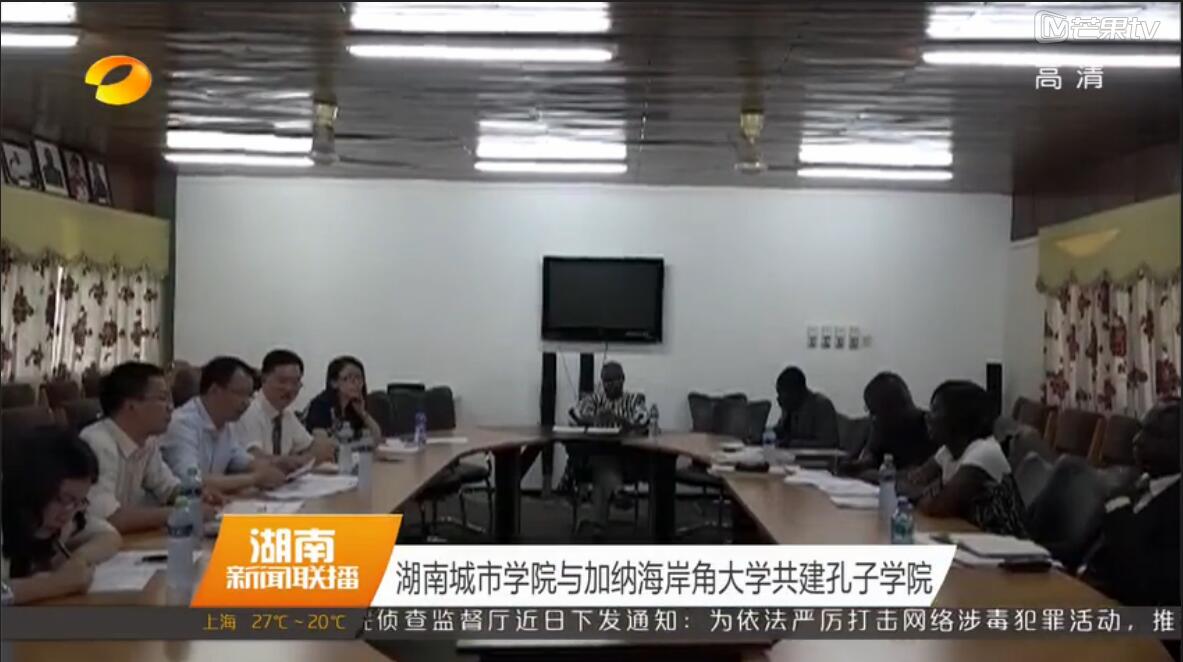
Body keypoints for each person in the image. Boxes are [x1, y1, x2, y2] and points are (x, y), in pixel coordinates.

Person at [81, 361, 220, 534]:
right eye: (162, 398)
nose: (171, 407)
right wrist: (181, 512)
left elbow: (168, 489)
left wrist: (198, 495)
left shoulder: (147, 441)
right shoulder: (97, 443)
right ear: (131, 405)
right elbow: (108, 518)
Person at [1082, 400, 1180, 617]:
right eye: (1141, 430)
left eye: (1154, 435)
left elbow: (1143, 585)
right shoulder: (1134, 483)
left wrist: (1119, 515)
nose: (1137, 440)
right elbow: (1085, 544)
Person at [2, 427, 122, 604]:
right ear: (32, 488)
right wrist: (57, 583)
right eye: (64, 499)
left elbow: (109, 535)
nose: (69, 513)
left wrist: (78, 560)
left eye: (79, 502)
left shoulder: (66, 518)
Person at [901, 380, 1026, 537]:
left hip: (1004, 543)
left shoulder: (984, 452)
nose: (928, 416)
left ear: (959, 418)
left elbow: (938, 506)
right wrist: (924, 492)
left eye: (936, 410)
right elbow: (912, 480)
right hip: (971, 537)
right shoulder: (948, 451)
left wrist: (925, 493)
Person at [161, 356, 287, 494]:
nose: (246, 403)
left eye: (250, 395)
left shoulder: (226, 423)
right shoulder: (182, 424)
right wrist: (254, 479)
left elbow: (240, 459)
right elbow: (191, 480)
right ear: (214, 390)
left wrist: (270, 469)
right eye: (240, 394)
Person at [569, 361, 648, 537]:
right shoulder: (594, 399)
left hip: (625, 457)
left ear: (623, 379)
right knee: (602, 461)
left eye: (614, 380)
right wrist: (594, 419)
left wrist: (618, 419)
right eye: (606, 381)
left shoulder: (634, 400)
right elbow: (574, 415)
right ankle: (617, 491)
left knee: (602, 469)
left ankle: (600, 524)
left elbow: (643, 421)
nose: (610, 385)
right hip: (595, 453)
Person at [233, 349, 336, 470]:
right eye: (282, 381)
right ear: (263, 379)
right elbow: (255, 458)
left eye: (295, 382)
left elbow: (314, 447)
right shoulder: (249, 411)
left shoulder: (286, 414)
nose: (289, 389)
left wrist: (314, 453)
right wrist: (301, 460)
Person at [840, 372, 938, 480]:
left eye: (875, 412)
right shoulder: (883, 426)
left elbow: (918, 475)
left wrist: (873, 474)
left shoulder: (934, 428)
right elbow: (874, 456)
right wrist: (858, 466)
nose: (873, 418)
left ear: (892, 408)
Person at [304, 356, 384, 443]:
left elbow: (376, 439)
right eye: (349, 378)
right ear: (334, 383)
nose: (356, 383)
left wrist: (362, 413)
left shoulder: (353, 407)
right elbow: (322, 443)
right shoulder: (320, 406)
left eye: (359, 378)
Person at [772, 366, 839, 448]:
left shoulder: (821, 406)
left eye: (782, 393)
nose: (778, 398)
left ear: (795, 392)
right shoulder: (789, 407)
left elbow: (829, 443)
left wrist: (793, 444)